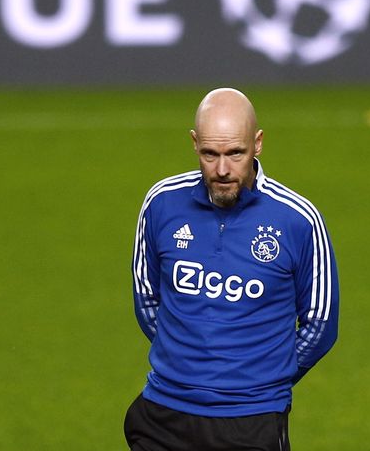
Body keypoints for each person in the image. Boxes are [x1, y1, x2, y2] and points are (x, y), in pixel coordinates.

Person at [124, 88, 339, 451]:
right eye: (210, 154)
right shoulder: (161, 203)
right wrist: (189, 362)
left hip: (251, 422)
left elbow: (320, 326)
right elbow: (146, 297)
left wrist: (263, 379)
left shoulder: (298, 220)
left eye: (234, 153)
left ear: (257, 144)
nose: (222, 169)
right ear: (194, 144)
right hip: (163, 413)